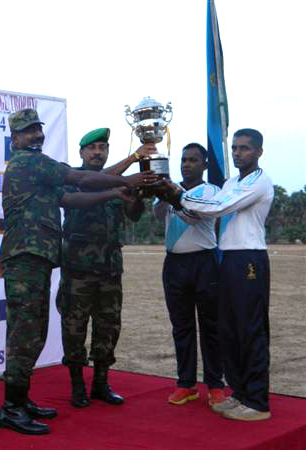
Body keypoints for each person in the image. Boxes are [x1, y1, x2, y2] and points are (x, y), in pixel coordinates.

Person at [0, 109, 157, 435]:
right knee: (25, 334)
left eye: (38, 130)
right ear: (15, 139)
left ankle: (21, 400)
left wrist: (114, 193)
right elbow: (79, 179)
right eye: (28, 131)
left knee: (34, 331)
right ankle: (11, 408)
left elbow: (70, 199)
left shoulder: (37, 172)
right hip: (25, 257)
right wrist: (126, 179)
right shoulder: (29, 162)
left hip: (36, 257)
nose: (36, 136)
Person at [163, 129, 274, 421]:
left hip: (249, 258)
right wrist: (176, 199)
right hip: (228, 258)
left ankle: (258, 401)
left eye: (245, 149)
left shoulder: (259, 181)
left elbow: (220, 207)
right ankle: (239, 393)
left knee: (250, 329)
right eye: (235, 148)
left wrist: (179, 194)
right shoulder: (232, 182)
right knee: (230, 330)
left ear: (259, 152)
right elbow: (206, 213)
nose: (238, 153)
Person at [56, 127, 154, 408]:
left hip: (110, 269)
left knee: (108, 327)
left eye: (103, 148)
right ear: (82, 153)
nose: (98, 152)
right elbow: (93, 183)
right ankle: (77, 384)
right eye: (93, 148)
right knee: (74, 328)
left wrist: (137, 196)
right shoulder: (72, 177)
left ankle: (100, 383)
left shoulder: (121, 181)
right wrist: (134, 158)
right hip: (78, 270)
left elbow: (133, 216)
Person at [153, 143, 225, 406]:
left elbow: (195, 217)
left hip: (204, 262)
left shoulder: (211, 191)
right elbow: (158, 213)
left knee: (210, 326)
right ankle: (186, 384)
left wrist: (175, 195)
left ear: (204, 165)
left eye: (193, 160)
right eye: (184, 159)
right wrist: (161, 194)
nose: (187, 164)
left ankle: (216, 385)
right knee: (181, 326)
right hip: (174, 264)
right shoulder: (172, 189)